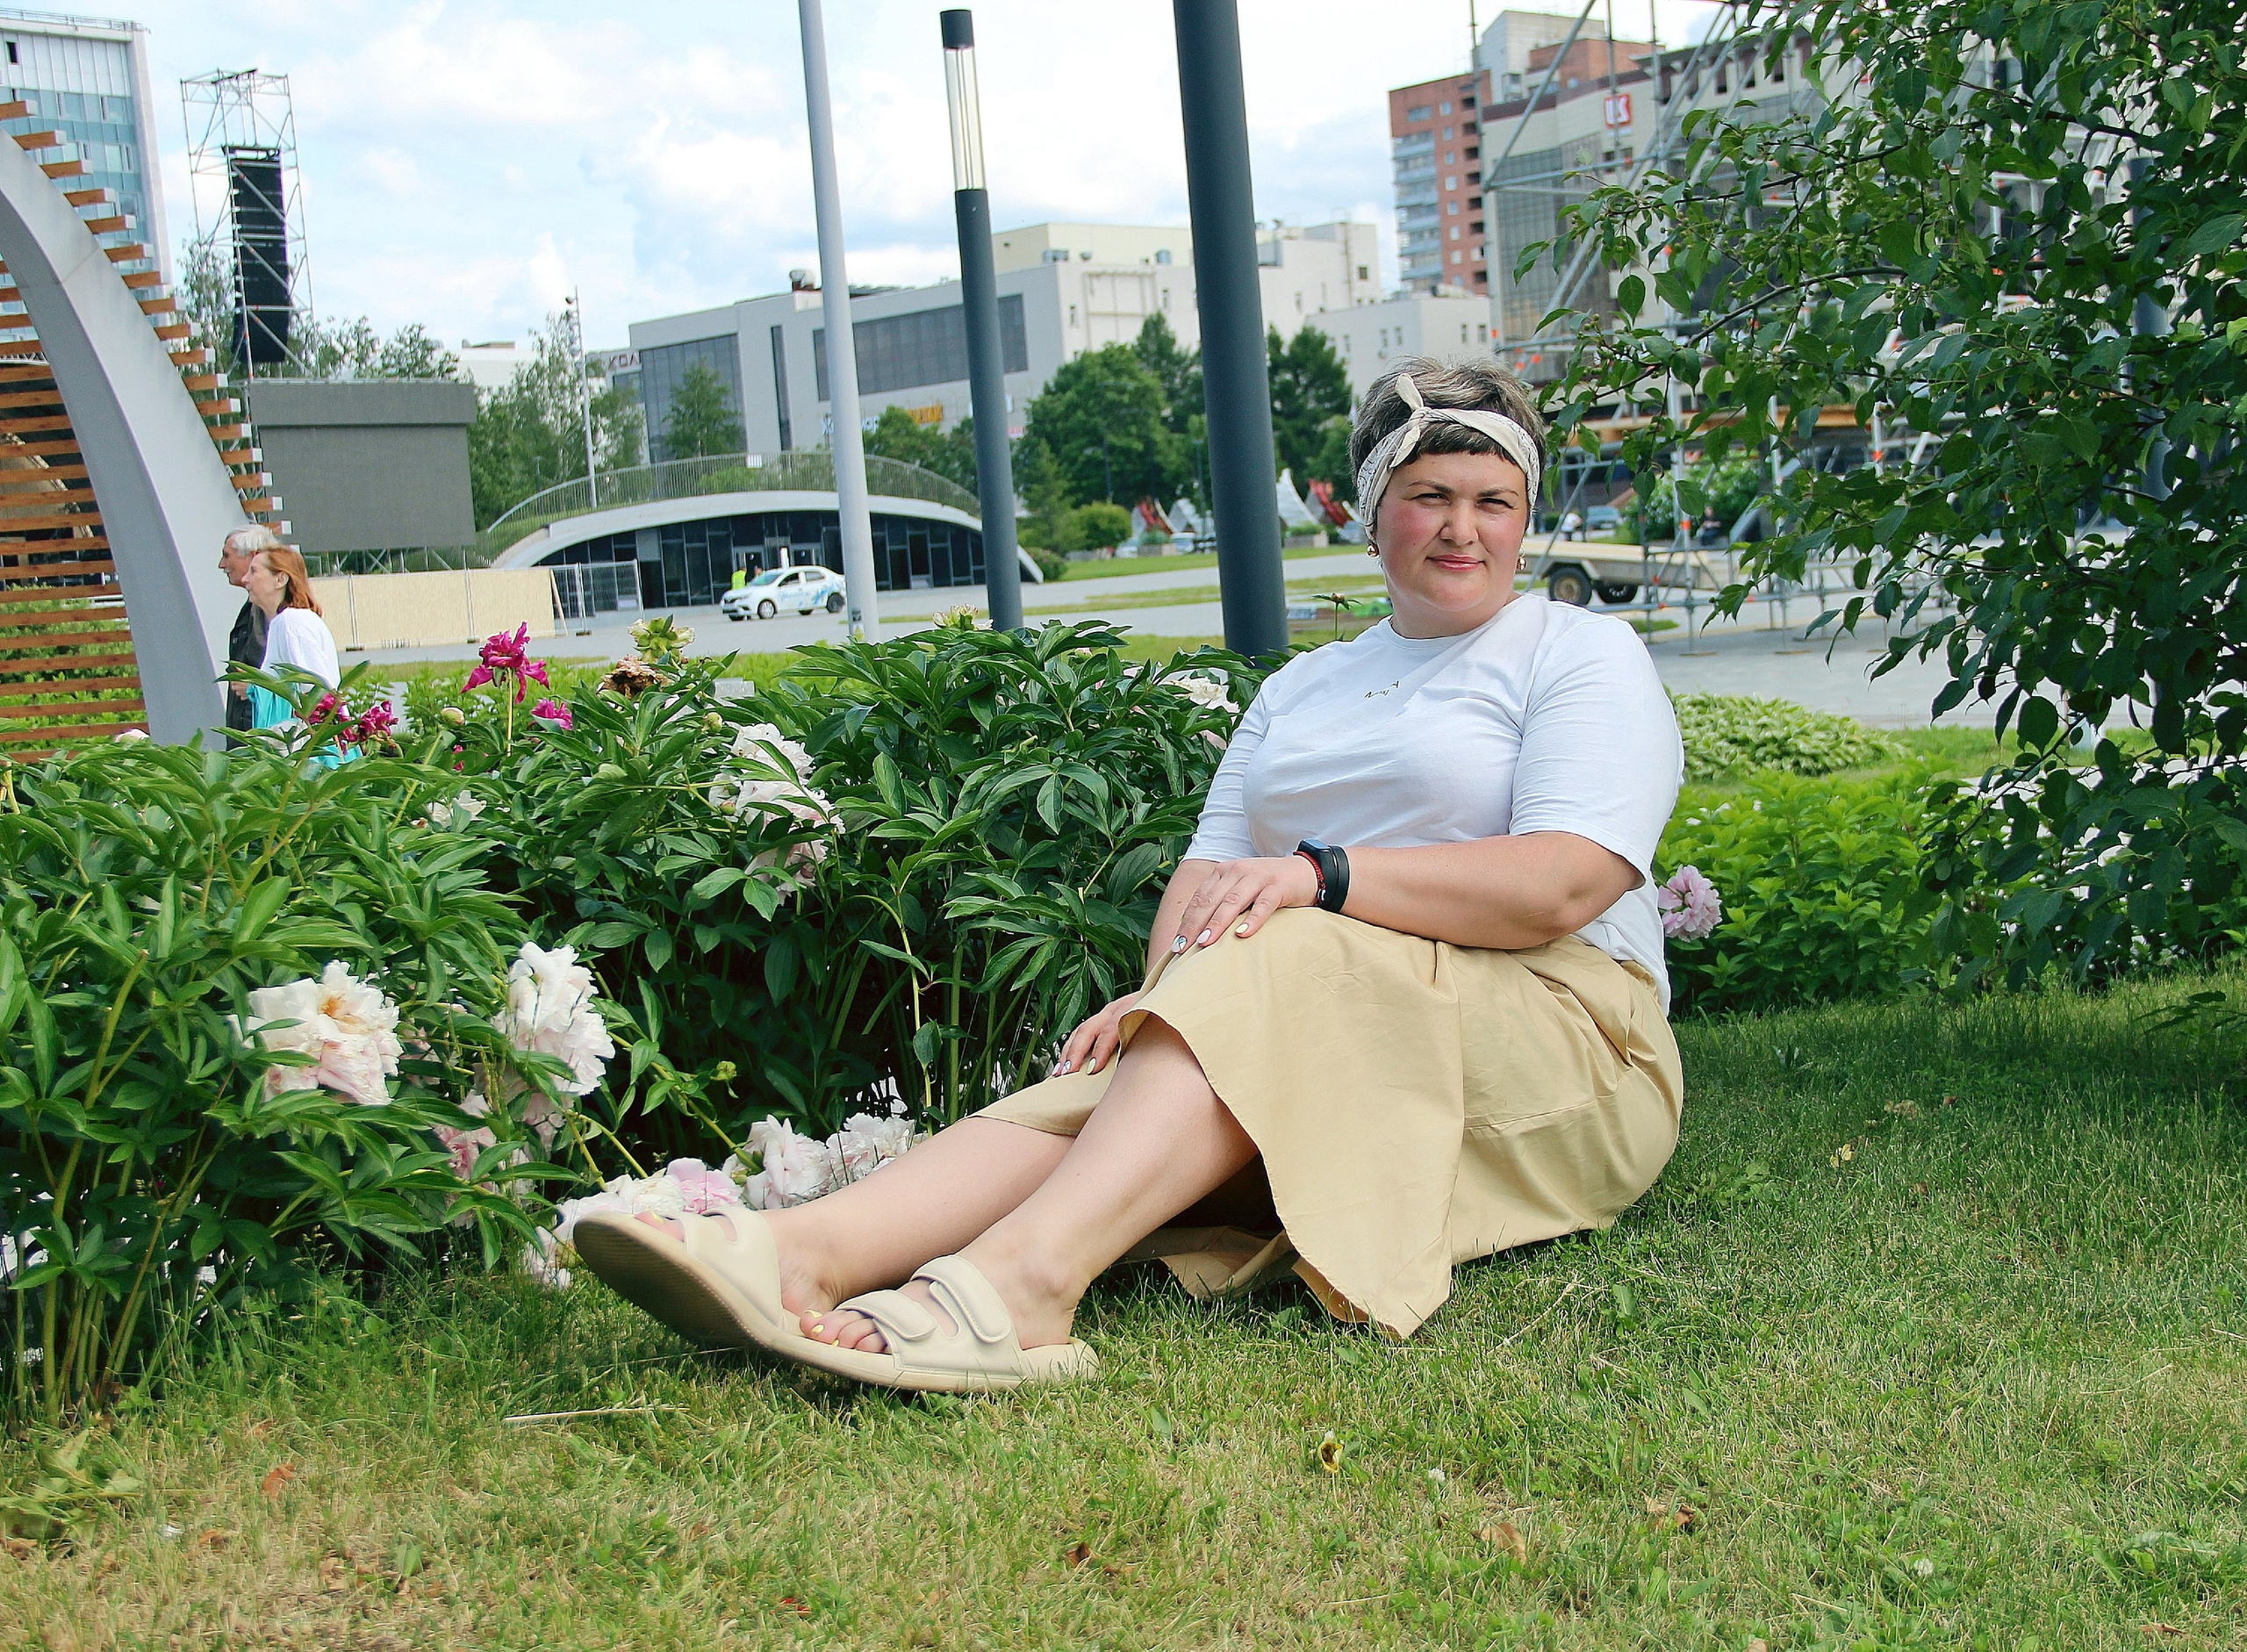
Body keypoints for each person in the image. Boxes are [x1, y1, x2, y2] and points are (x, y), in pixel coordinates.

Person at [574, 357, 1685, 1394]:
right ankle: (798, 1252)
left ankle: (1025, 1287)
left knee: (1287, 947)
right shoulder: (1303, 687)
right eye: (1430, 493)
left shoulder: (1574, 653)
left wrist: (1322, 877)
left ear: (1528, 522)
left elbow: (1564, 884)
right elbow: (1207, 875)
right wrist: (1166, 999)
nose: (1461, 526)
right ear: (1367, 509)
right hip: (1331, 1011)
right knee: (1117, 1075)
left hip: (1567, 1037)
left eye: (1493, 501)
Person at [240, 541, 352, 766]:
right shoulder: (287, 621)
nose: (245, 579)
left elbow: (316, 688)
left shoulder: (291, 622)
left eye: (254, 571)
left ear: (281, 579)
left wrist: (257, 686)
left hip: (312, 753)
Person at [219, 525, 276, 743]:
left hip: (257, 734)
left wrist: (253, 687)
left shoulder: (268, 609)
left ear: (253, 557)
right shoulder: (256, 607)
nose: (222, 565)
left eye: (227, 556)